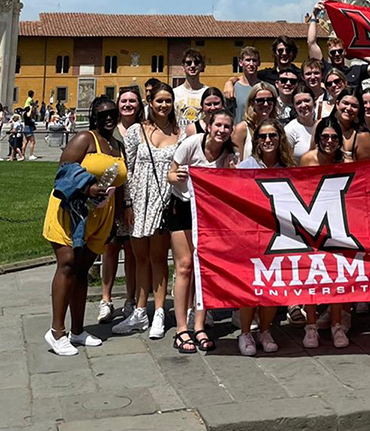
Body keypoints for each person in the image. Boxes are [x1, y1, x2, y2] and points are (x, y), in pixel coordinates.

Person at [42, 97, 130, 355]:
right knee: (67, 264)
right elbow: (63, 170)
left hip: (101, 216)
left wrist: (121, 213)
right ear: (94, 116)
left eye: (112, 113)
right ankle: (57, 331)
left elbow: (121, 182)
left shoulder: (117, 145)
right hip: (73, 211)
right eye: (103, 114)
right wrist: (89, 188)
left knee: (82, 270)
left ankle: (78, 330)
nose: (109, 118)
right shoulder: (85, 139)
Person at [112, 83, 181, 339]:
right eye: (159, 101)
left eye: (168, 101)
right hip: (139, 201)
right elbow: (127, 169)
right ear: (150, 103)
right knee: (140, 258)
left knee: (159, 258)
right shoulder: (135, 131)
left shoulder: (179, 132)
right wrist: (127, 204)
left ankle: (160, 311)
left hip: (165, 202)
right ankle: (140, 311)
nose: (163, 105)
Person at [167, 107, 236, 354]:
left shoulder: (229, 153)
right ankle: (181, 329)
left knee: (202, 266)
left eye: (227, 127)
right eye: (218, 125)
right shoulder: (191, 144)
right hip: (182, 207)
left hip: (208, 211)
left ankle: (199, 325)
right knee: (184, 265)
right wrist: (180, 177)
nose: (222, 130)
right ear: (209, 125)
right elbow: (170, 174)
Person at [236, 120, 296, 356]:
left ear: (280, 137)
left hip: (280, 235)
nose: (268, 140)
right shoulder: (245, 167)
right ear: (257, 141)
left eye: (272, 135)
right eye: (263, 136)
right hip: (252, 235)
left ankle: (265, 330)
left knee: (274, 287)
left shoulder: (289, 167)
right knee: (251, 286)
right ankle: (245, 332)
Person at [299, 115, 352, 350]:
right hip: (310, 225)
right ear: (318, 138)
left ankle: (336, 324)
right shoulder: (307, 159)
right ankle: (311, 326)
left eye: (334, 137)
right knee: (311, 276)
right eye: (325, 137)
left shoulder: (347, 162)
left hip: (339, 225)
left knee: (336, 276)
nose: (329, 141)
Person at [99, 85, 144, 323]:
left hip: (133, 199)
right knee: (110, 249)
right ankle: (105, 300)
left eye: (132, 101)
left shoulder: (143, 129)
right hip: (111, 198)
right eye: (124, 100)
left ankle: (130, 298)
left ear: (139, 105)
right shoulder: (109, 130)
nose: (128, 104)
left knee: (132, 251)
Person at [307, 2, 370, 89]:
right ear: (329, 54)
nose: (337, 54)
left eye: (340, 51)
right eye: (333, 52)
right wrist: (314, 16)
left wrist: (357, 54)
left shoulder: (356, 70)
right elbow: (311, 43)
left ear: (345, 52)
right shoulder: (325, 69)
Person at [232, 82, 278, 160]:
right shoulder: (242, 129)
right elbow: (237, 163)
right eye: (260, 100)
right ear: (252, 103)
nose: (266, 104)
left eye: (270, 100)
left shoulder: (277, 127)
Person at [173, 49, 208, 131]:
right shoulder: (174, 93)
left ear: (202, 66)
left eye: (196, 63)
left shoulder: (208, 93)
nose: (192, 66)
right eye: (188, 63)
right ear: (183, 67)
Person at [335, 90, 370, 161]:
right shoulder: (321, 125)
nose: (349, 108)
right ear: (337, 104)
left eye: (354, 106)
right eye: (345, 103)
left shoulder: (362, 136)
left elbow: (367, 168)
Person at [223, 46, 260, 118]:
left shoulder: (265, 88)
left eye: (254, 60)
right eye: (248, 60)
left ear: (259, 63)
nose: (251, 64)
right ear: (240, 62)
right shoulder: (232, 88)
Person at [285, 85, 316, 162]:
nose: (303, 105)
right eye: (299, 103)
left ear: (314, 101)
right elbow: (286, 160)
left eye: (307, 101)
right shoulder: (289, 130)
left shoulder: (321, 125)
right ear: (294, 106)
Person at [22, 95, 38, 160]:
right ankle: (31, 155)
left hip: (27, 128)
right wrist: (31, 108)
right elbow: (28, 115)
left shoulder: (25, 114)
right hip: (28, 128)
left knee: (25, 142)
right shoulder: (26, 114)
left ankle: (22, 155)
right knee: (32, 141)